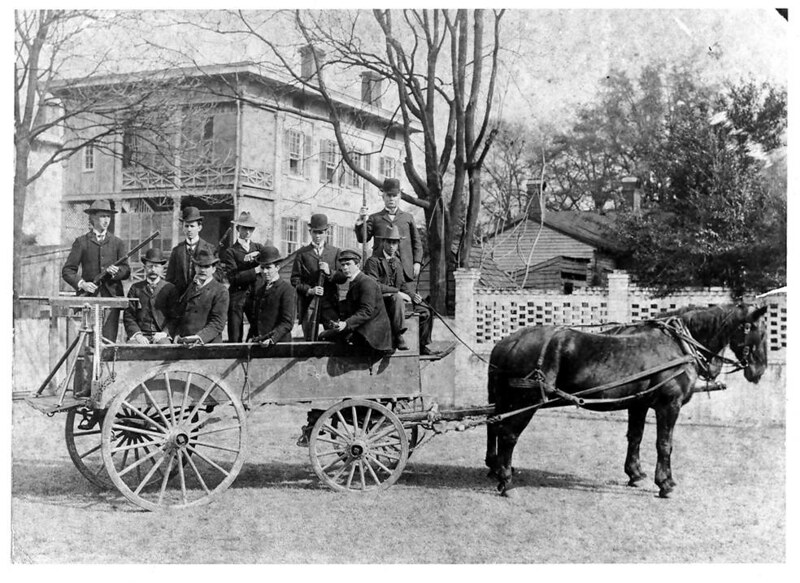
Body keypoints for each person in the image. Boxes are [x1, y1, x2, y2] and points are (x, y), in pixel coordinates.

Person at [62, 199, 131, 342]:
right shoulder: (81, 242)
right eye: (102, 216)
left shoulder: (117, 243)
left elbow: (127, 270)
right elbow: (68, 270)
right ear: (93, 217)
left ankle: (105, 365)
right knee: (89, 340)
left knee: (109, 340)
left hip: (112, 299)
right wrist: (82, 284)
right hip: (89, 298)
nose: (106, 220)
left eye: (108, 216)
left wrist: (116, 272)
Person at [363, 225, 434, 354]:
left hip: (396, 300)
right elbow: (374, 286)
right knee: (397, 298)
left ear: (398, 244)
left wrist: (412, 295)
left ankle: (422, 344)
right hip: (379, 302)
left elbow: (401, 284)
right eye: (389, 242)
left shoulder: (397, 261)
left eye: (395, 243)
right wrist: (397, 292)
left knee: (425, 309)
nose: (391, 246)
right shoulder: (373, 261)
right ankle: (398, 335)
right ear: (383, 242)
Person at [319, 248, 392, 353]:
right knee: (326, 335)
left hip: (372, 336)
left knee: (325, 337)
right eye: (343, 265)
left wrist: (346, 324)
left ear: (358, 265)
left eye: (348, 264)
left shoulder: (366, 283)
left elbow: (366, 312)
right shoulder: (355, 282)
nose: (345, 268)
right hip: (365, 329)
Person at [355, 177, 423, 284]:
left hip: (405, 270)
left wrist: (417, 262)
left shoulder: (408, 218)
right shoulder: (374, 218)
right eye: (388, 195)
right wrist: (360, 220)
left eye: (394, 195)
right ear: (383, 196)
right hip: (381, 270)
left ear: (399, 196)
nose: (391, 199)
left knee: (407, 298)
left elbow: (417, 243)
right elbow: (362, 238)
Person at [291, 213, 342, 340]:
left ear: (327, 232)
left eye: (321, 232)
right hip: (309, 304)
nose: (318, 236)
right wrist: (309, 290)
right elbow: (295, 280)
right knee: (309, 339)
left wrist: (329, 272)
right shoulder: (302, 254)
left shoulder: (335, 252)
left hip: (330, 304)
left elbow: (342, 277)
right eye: (315, 232)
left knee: (334, 337)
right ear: (310, 232)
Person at [220, 211, 264, 342]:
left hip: (256, 294)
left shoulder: (259, 248)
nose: (248, 232)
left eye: (251, 229)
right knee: (235, 333)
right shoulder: (231, 252)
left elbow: (271, 259)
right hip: (237, 296)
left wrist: (258, 255)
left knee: (259, 328)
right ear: (238, 228)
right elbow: (233, 277)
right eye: (245, 228)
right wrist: (255, 270)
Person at [170, 248, 229, 345]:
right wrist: (177, 334)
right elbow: (181, 314)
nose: (202, 270)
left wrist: (199, 338)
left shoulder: (220, 291)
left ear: (213, 269)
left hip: (207, 344)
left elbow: (218, 323)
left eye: (207, 267)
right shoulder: (191, 286)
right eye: (199, 266)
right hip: (185, 342)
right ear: (195, 267)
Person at [123, 248, 179, 344]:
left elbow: (175, 317)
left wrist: (164, 333)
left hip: (161, 335)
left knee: (165, 347)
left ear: (162, 268)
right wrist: (138, 335)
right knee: (131, 349)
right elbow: (129, 315)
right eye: (150, 266)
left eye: (156, 266)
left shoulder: (170, 288)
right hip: (141, 335)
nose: (153, 270)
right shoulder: (135, 288)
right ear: (145, 268)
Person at [246, 246, 296, 345]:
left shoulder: (287, 290)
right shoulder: (259, 290)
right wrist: (250, 337)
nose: (265, 272)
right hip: (259, 344)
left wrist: (272, 338)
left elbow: (287, 323)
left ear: (277, 267)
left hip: (278, 344)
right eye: (262, 268)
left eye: (268, 268)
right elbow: (256, 320)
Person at [166, 206, 217, 297]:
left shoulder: (210, 249)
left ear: (199, 227)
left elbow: (218, 275)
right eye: (186, 226)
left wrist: (202, 280)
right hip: (180, 299)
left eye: (192, 226)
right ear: (183, 228)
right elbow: (170, 278)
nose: (189, 229)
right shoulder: (177, 251)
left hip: (203, 297)